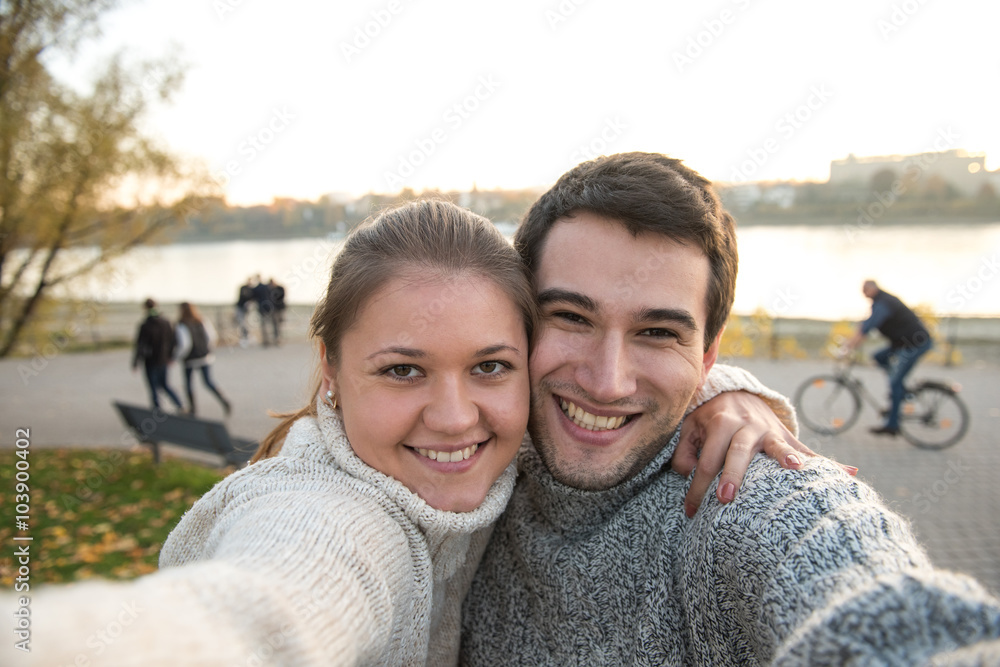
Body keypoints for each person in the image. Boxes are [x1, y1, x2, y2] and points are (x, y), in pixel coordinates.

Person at [4, 200, 804, 666]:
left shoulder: (526, 442)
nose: (456, 417)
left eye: (490, 367)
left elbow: (612, 382)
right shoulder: (321, 507)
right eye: (401, 371)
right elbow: (263, 608)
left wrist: (726, 394)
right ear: (329, 364)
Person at [460, 153, 1000, 665]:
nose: (607, 381)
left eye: (657, 332)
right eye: (572, 317)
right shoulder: (461, 460)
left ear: (708, 354)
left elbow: (866, 591)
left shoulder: (743, 501)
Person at [845, 279, 933, 436]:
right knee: (879, 357)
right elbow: (866, 323)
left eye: (865, 290)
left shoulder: (883, 303)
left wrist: (849, 347)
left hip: (915, 344)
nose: (864, 294)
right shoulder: (880, 301)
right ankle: (900, 390)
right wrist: (854, 337)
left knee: (895, 382)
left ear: (873, 289)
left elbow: (868, 327)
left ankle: (892, 425)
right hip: (903, 343)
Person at [175, 302, 232, 417]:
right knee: (208, 382)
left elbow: (185, 344)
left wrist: (177, 356)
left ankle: (193, 410)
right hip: (204, 356)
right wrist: (209, 350)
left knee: (189, 384)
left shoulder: (181, 324)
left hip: (190, 359)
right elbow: (212, 337)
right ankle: (224, 400)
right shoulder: (202, 320)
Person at [131, 297, 183, 412]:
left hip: (151, 361)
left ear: (145, 308)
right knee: (165, 385)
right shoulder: (166, 322)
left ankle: (157, 410)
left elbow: (140, 346)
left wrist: (135, 362)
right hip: (163, 360)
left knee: (153, 387)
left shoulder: (145, 325)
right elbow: (174, 341)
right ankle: (180, 405)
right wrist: (170, 356)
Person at [252, 272, 275, 347]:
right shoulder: (266, 287)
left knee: (264, 325)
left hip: (262, 307)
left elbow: (254, 298)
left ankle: (266, 341)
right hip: (269, 307)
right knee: (270, 324)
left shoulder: (256, 288)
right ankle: (272, 340)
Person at [235, 278, 254, 348]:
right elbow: (243, 296)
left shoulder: (251, 290)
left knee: (245, 323)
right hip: (240, 307)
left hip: (246, 309)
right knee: (242, 323)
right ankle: (244, 337)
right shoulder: (243, 288)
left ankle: (246, 337)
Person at [266, 277, 286, 345]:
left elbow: (282, 297)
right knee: (275, 324)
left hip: (280, 309)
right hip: (274, 309)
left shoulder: (279, 288)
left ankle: (279, 337)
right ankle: (277, 338)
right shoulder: (271, 290)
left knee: (279, 323)